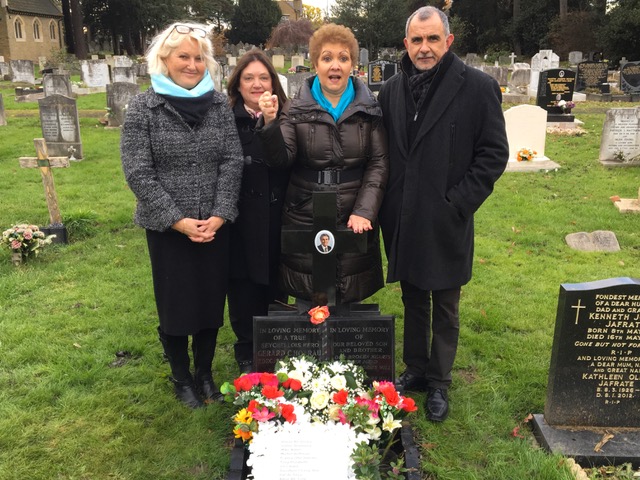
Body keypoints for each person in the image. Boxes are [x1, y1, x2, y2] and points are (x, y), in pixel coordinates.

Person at [378, 6, 509, 422]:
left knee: (446, 303)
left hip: (447, 216)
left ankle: (440, 381)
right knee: (413, 295)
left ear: (449, 41)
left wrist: (458, 203)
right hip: (404, 214)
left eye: (433, 39)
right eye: (417, 40)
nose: (425, 48)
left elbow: (493, 154)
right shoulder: (391, 90)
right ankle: (416, 368)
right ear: (406, 44)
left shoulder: (477, 87)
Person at [121, 22, 244, 408]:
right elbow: (138, 171)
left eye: (197, 57)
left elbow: (232, 159)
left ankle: (205, 372)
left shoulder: (219, 106)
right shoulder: (144, 106)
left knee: (210, 300)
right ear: (164, 60)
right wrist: (177, 219)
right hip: (167, 227)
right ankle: (181, 376)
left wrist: (221, 213)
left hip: (213, 224)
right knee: (176, 302)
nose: (191, 65)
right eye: (182, 57)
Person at [258, 23, 389, 309]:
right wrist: (270, 125)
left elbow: (378, 162)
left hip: (354, 211)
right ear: (315, 63)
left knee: (349, 292)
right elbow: (282, 159)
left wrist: (364, 211)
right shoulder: (294, 109)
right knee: (311, 292)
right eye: (327, 57)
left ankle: (345, 349)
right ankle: (310, 349)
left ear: (352, 64)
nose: (335, 65)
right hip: (306, 210)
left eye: (343, 58)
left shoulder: (369, 110)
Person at [225, 50, 290, 374]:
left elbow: (283, 161)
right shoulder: (225, 119)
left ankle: (276, 343)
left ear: (273, 83)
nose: (256, 84)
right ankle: (246, 348)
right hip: (239, 219)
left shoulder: (285, 116)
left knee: (274, 285)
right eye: (249, 77)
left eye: (263, 77)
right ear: (238, 84)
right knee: (242, 287)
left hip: (276, 216)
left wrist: (270, 122)